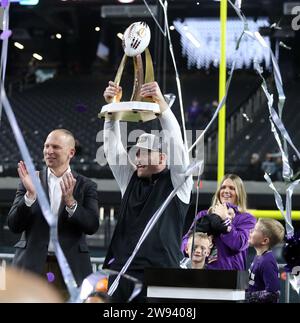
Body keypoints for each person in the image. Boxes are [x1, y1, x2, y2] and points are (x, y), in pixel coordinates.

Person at [102, 81, 193, 300]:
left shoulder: (179, 183)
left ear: (162, 157)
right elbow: (112, 148)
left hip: (162, 274)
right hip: (123, 271)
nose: (138, 158)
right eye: (137, 152)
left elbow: (176, 143)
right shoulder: (130, 179)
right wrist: (111, 112)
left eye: (145, 153)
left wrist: (162, 106)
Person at [7, 129, 99, 293]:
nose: (49, 151)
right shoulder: (29, 181)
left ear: (71, 152)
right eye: (46, 146)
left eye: (55, 147)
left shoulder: (87, 185)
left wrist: (71, 203)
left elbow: (92, 226)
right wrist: (30, 195)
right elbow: (14, 225)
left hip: (71, 268)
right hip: (31, 266)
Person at [182, 174, 256, 270]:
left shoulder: (247, 219)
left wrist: (225, 219)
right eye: (223, 187)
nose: (226, 191)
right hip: (203, 272)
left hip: (231, 276)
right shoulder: (204, 215)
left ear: (239, 193)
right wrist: (195, 242)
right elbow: (184, 245)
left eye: (232, 188)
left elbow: (239, 244)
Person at [246, 218, 285, 303]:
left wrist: (247, 296)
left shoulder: (267, 261)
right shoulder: (259, 257)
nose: (250, 231)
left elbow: (273, 293)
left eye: (255, 230)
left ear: (265, 241)